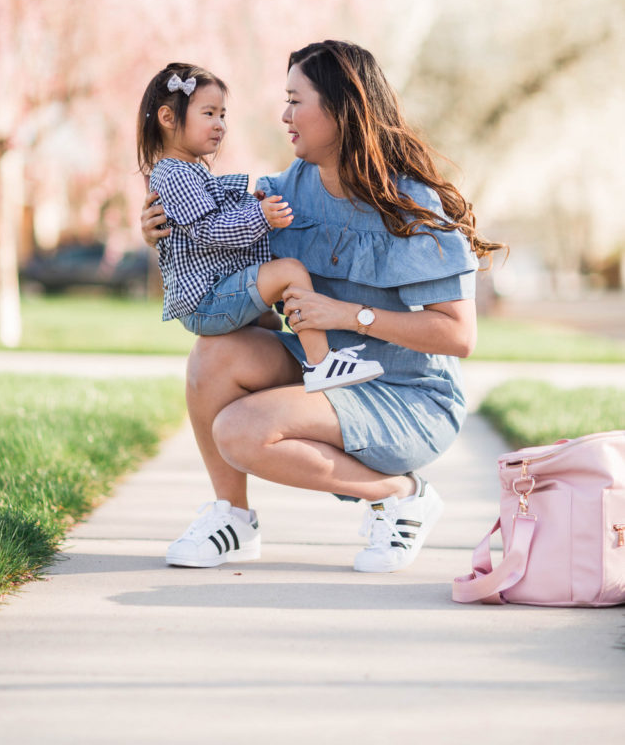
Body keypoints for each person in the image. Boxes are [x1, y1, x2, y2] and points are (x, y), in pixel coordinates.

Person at [140, 42, 505, 573]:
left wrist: (346, 315)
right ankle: (233, 519)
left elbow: (459, 337)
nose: (284, 116)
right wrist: (159, 231)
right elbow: (212, 235)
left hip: (407, 395)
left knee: (240, 431)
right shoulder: (288, 191)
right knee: (212, 356)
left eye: (296, 100)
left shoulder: (414, 203)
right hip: (328, 370)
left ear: (340, 108)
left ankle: (402, 493)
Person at [137, 63, 384, 394]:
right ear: (168, 119)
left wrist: (251, 206)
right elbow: (210, 230)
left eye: (222, 115)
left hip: (210, 294)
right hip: (207, 300)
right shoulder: (176, 174)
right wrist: (261, 218)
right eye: (208, 113)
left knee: (268, 323)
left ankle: (265, 386)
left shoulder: (186, 172)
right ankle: (322, 365)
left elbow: (206, 222)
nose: (220, 125)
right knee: (289, 272)